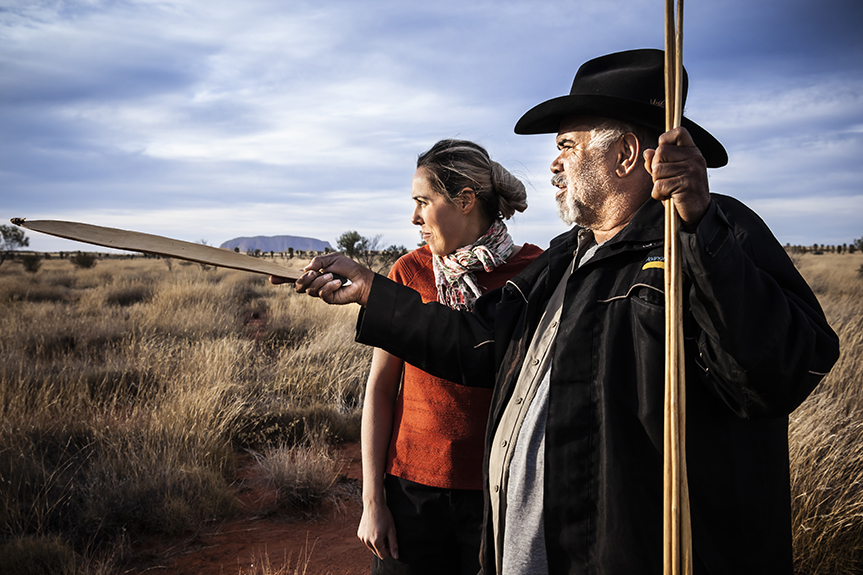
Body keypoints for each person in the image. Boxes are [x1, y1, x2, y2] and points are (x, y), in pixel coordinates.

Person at [289, 49, 840, 575]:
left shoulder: (710, 234)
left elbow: (776, 373)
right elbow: (478, 343)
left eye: (568, 146)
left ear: (625, 155)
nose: (553, 162)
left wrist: (699, 224)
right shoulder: (565, 257)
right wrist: (369, 290)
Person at [357, 139, 543, 575]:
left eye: (423, 202)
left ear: (464, 201)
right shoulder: (408, 273)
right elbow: (381, 391)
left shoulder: (535, 272)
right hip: (411, 492)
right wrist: (373, 501)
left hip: (501, 491)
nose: (414, 217)